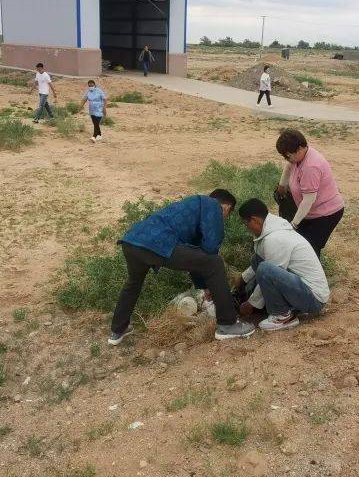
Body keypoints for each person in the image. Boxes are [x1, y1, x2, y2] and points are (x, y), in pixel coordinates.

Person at [109, 190, 255, 344]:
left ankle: (118, 330)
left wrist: (205, 287)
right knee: (215, 262)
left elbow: (195, 258)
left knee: (133, 284)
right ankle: (228, 324)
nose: (223, 218)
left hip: (132, 242)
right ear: (226, 207)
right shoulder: (212, 205)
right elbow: (211, 248)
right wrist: (212, 279)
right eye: (227, 214)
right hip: (158, 244)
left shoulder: (192, 208)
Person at [234, 199, 330, 331]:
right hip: (302, 288)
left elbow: (269, 273)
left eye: (246, 224)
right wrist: (242, 279)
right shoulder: (274, 228)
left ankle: (282, 316)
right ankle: (287, 308)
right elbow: (261, 262)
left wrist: (250, 304)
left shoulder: (274, 238)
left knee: (265, 269)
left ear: (255, 220)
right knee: (257, 259)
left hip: (313, 299)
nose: (247, 228)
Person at [275, 129, 345, 256]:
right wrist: (281, 187)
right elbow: (288, 166)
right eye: (284, 156)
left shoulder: (310, 167)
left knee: (309, 249)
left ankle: (313, 275)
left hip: (326, 214)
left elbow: (308, 200)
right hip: (310, 213)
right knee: (299, 245)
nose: (286, 159)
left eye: (288, 156)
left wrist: (294, 224)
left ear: (300, 148)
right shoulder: (297, 158)